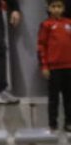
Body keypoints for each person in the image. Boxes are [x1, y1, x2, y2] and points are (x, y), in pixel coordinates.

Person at [39, 0, 71, 131]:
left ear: (63, 8)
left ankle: (68, 123)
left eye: (59, 6)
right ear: (48, 8)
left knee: (69, 97)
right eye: (54, 7)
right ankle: (53, 124)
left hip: (69, 67)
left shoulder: (69, 23)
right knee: (54, 98)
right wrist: (44, 66)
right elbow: (41, 46)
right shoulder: (46, 25)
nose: (56, 9)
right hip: (54, 68)